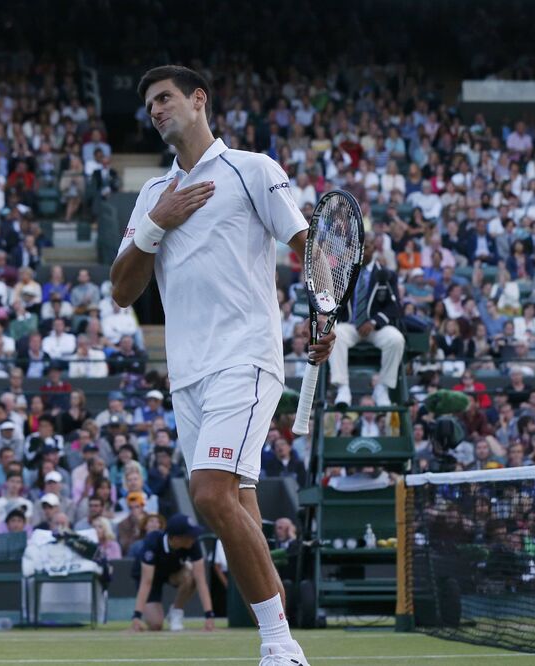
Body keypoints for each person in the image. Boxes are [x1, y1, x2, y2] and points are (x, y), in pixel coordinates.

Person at [111, 66, 332, 663]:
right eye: (150, 104)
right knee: (238, 510)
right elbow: (122, 289)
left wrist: (328, 317)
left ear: (198, 100)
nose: (156, 110)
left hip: (246, 359)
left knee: (207, 495)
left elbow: (309, 247)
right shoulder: (154, 195)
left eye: (166, 98)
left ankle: (282, 647)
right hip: (187, 375)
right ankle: (280, 641)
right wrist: (160, 222)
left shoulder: (253, 169)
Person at [328, 258, 405, 408]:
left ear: (374, 249)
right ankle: (342, 388)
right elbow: (329, 300)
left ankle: (382, 388)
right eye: (362, 245)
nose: (365, 248)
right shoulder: (341, 270)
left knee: (396, 339)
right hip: (350, 325)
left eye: (368, 245)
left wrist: (374, 322)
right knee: (335, 334)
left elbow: (394, 306)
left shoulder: (386, 274)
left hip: (376, 327)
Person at [131, 514, 215, 633]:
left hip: (173, 573)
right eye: (190, 535)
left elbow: (201, 580)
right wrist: (136, 616)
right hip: (149, 577)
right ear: (176, 538)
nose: (194, 538)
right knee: (156, 625)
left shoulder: (193, 544)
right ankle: (147, 614)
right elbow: (146, 582)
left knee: (191, 576)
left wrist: (209, 616)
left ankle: (175, 612)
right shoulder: (152, 542)